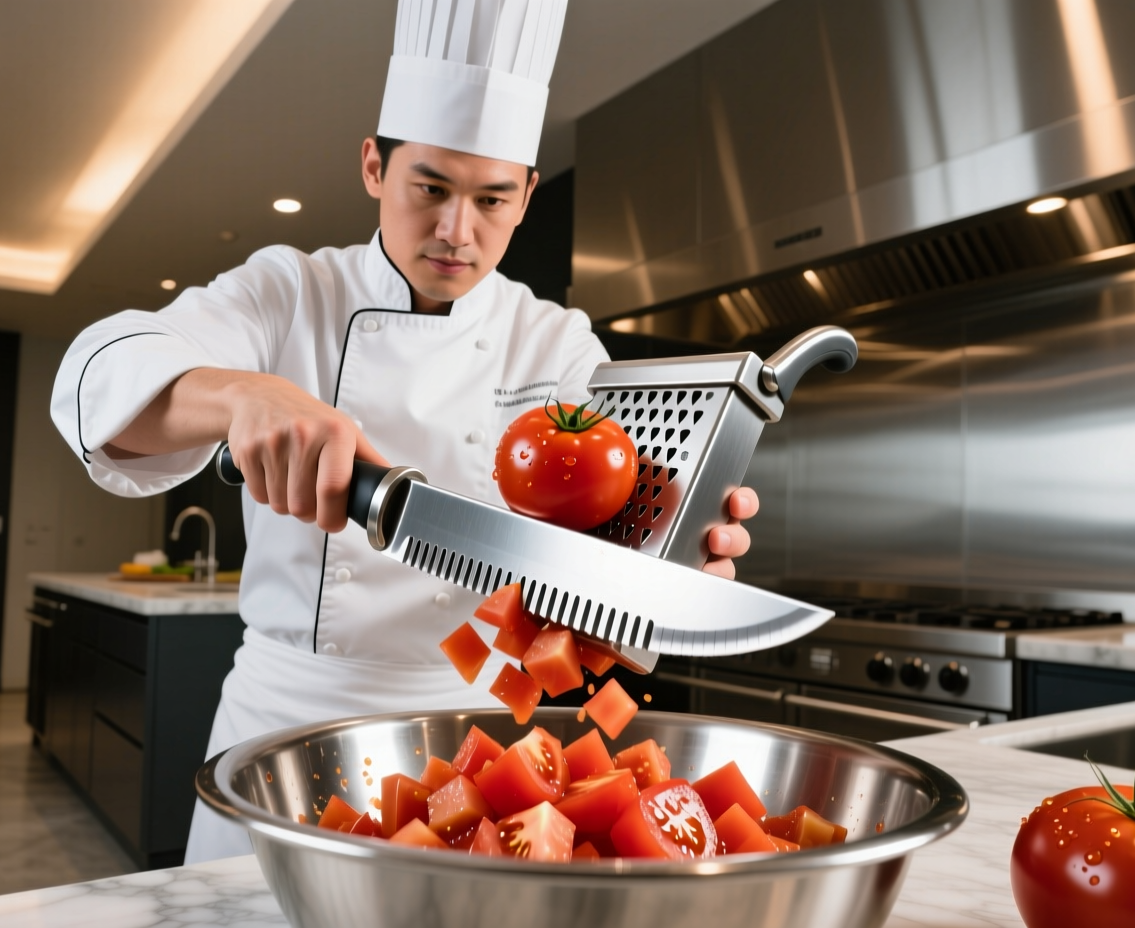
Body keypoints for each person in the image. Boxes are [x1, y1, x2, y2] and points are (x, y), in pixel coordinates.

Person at [51, 0, 759, 864]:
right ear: (373, 168)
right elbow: (98, 377)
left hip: (480, 745)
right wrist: (245, 395)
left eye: (493, 199)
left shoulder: (557, 343)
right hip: (288, 723)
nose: (458, 232)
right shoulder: (289, 293)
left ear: (529, 195)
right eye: (430, 188)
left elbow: (610, 553)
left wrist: (677, 553)